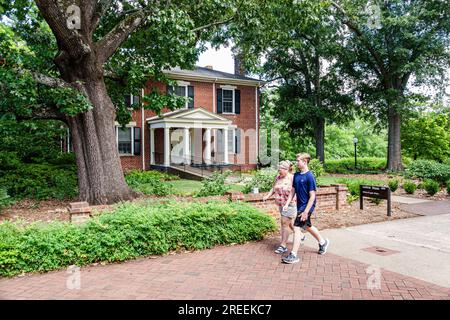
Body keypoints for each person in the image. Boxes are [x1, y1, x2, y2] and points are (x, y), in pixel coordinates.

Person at [281, 153, 329, 264]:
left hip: (307, 206)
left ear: (305, 161)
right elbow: (293, 191)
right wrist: (287, 204)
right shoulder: (297, 175)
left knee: (296, 228)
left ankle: (293, 255)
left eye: (298, 160)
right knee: (307, 226)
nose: (297, 162)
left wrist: (306, 211)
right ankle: (322, 242)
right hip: (300, 205)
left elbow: (312, 196)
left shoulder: (309, 176)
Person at [263, 160, 305, 254]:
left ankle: (283, 245)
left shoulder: (292, 178)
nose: (279, 171)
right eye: (278, 169)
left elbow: (298, 190)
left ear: (286, 169)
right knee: (290, 224)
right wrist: (267, 196)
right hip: (281, 204)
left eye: (280, 169)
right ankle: (300, 235)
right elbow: (273, 188)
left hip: (290, 204)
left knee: (284, 223)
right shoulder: (278, 177)